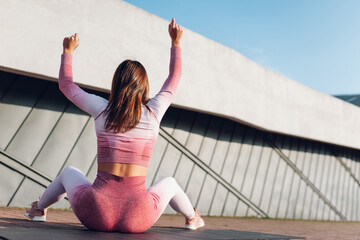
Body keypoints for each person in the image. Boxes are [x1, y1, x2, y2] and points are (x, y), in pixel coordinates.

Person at [24, 18, 204, 233]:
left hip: (95, 211)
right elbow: (174, 77)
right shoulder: (154, 111)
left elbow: (66, 85)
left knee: (69, 172)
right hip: (138, 216)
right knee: (171, 183)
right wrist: (176, 43)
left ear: (115, 83)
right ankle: (193, 218)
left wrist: (67, 51)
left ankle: (39, 210)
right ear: (144, 85)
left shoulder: (102, 109)